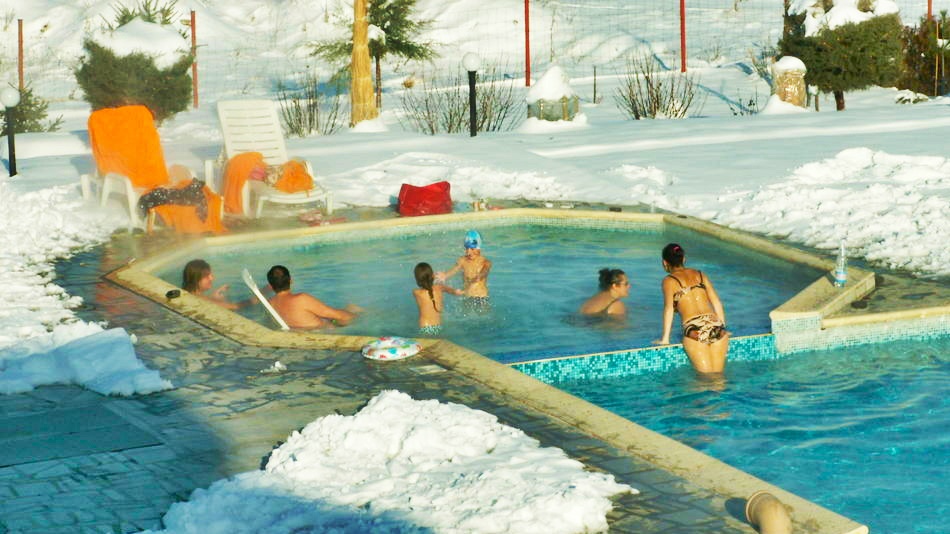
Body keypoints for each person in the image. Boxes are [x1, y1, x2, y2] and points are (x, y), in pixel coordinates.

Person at [654, 243, 730, 373]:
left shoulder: (669, 280)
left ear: (664, 263)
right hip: (716, 326)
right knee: (718, 378)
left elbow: (669, 309)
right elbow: (716, 302)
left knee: (704, 379)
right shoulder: (700, 274)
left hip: (694, 329)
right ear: (684, 259)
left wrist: (665, 339)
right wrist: (723, 326)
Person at [266, 265, 360, 329]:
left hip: (302, 333)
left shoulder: (270, 304)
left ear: (271, 286)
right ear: (291, 280)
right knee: (352, 308)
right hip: (324, 332)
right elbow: (339, 316)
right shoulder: (301, 299)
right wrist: (359, 318)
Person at [436, 230, 492, 313]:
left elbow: (486, 270)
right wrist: (445, 275)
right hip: (467, 297)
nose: (469, 252)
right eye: (466, 249)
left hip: (481, 298)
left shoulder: (485, 262)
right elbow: (454, 269)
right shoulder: (463, 261)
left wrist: (480, 276)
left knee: (484, 316)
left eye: (472, 249)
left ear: (479, 248)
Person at [413, 262, 462, 335]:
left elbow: (427, 288)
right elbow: (455, 292)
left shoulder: (416, 292)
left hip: (425, 326)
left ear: (417, 279)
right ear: (432, 275)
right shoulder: (440, 288)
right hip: (438, 326)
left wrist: (432, 277)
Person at [181, 259, 251, 310]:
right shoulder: (203, 301)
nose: (212, 278)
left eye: (211, 274)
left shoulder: (189, 293)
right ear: (195, 280)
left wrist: (212, 297)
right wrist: (255, 299)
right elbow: (235, 307)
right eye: (207, 276)